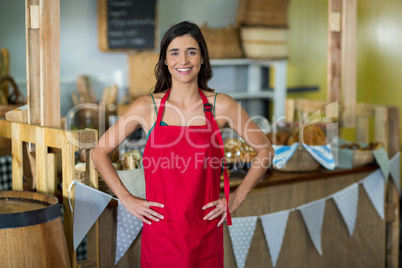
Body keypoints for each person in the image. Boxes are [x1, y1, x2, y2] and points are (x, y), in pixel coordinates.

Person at [91, 21, 274, 268]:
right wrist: (125, 198)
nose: (184, 60)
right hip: (160, 232)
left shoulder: (222, 105)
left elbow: (265, 150)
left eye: (192, 52)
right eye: (174, 53)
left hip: (205, 230)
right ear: (165, 61)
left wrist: (236, 198)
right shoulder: (147, 107)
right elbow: (99, 151)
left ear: (201, 59)